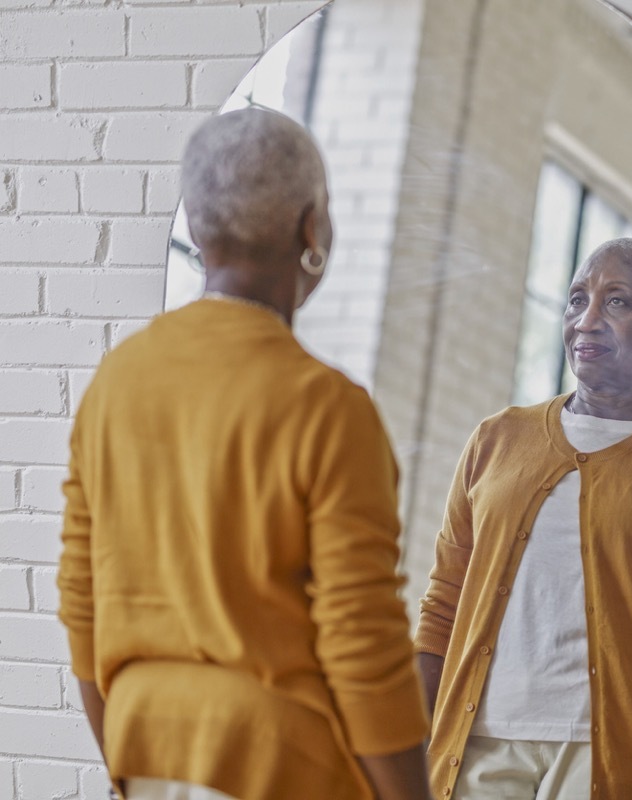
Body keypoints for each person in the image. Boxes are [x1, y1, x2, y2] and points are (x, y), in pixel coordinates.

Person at [57, 108, 432, 800]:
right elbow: (361, 638)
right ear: (311, 230)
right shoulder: (329, 409)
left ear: (199, 230)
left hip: (143, 743)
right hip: (278, 761)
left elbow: (83, 598)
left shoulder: (118, 380)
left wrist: (130, 747)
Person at [415, 238, 632, 800]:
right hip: (478, 744)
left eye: (618, 303)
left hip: (611, 756)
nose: (587, 321)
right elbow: (443, 605)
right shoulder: (497, 440)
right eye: (576, 299)